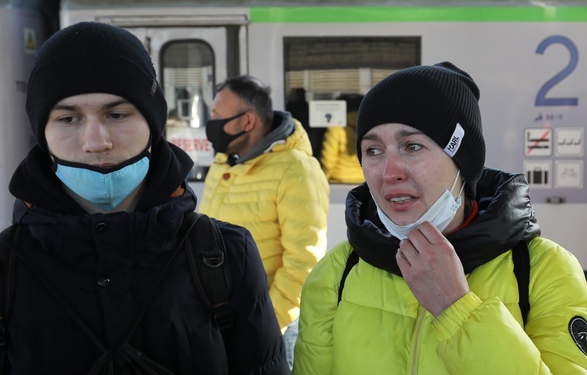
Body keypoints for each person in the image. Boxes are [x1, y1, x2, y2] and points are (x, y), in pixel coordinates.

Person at [2, 21, 289, 374]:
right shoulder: (7, 268)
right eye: (68, 119)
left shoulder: (226, 255)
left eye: (117, 114)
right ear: (42, 132)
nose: (96, 141)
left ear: (153, 124)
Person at [293, 62, 587, 374]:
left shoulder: (544, 271)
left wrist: (456, 308)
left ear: (462, 160)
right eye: (373, 151)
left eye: (413, 146)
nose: (389, 173)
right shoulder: (336, 273)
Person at [200, 75, 329, 368]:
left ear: (247, 121)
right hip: (220, 323)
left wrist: (267, 322)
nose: (212, 124)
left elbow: (304, 262)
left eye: (218, 116)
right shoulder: (224, 162)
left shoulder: (297, 170)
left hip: (267, 330)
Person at [319, 93, 365, 184]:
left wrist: (323, 180)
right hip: (364, 181)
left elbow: (328, 161)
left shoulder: (336, 127)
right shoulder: (368, 126)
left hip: (338, 181)